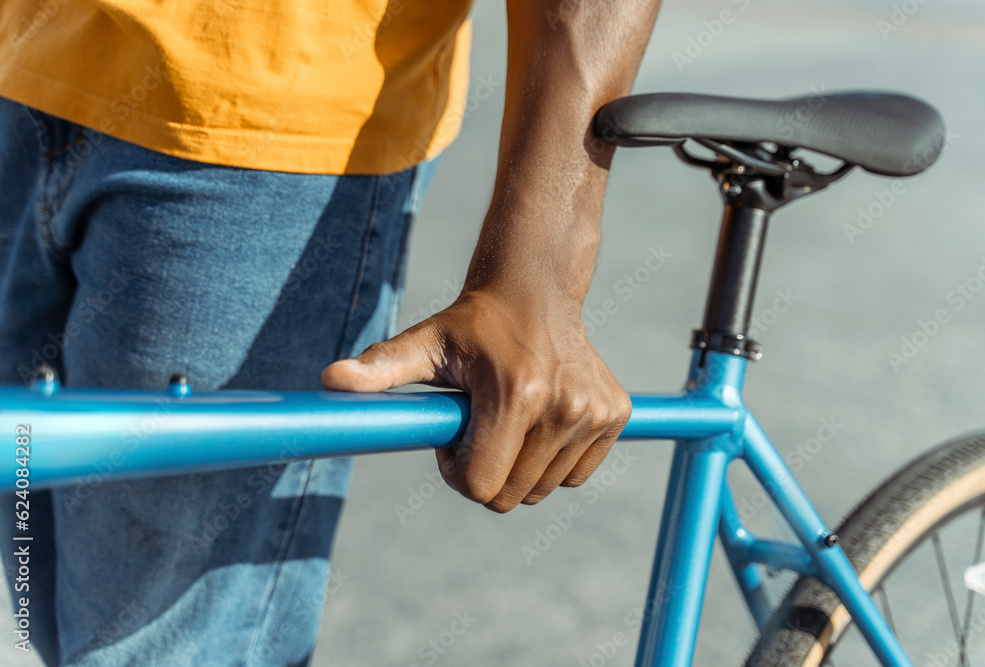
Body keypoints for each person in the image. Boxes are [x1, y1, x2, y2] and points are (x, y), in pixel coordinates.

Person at [0, 0, 661, 664]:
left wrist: (539, 266)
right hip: (20, 67)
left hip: (265, 120)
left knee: (156, 649)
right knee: (45, 602)